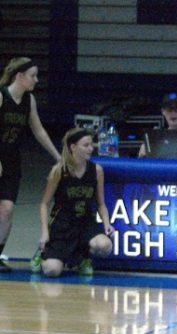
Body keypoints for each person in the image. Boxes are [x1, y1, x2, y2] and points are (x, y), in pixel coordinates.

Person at [0, 57, 61, 272]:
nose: (36, 80)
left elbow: (38, 130)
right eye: (33, 76)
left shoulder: (29, 100)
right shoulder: (1, 96)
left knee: (7, 209)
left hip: (11, 160)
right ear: (19, 76)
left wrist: (58, 157)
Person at [32, 128, 113, 277]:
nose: (91, 148)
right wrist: (44, 231)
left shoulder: (97, 170)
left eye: (91, 144)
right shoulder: (58, 171)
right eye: (86, 145)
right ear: (73, 147)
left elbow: (101, 204)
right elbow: (44, 204)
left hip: (85, 223)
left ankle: (83, 258)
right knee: (52, 270)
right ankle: (42, 256)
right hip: (62, 225)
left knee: (105, 246)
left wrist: (107, 224)